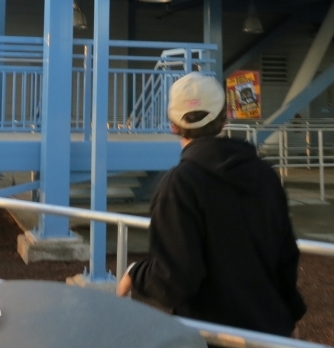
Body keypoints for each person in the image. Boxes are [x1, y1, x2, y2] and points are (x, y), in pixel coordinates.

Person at [116, 72, 306, 337]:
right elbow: (285, 256)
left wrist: (135, 274)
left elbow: (175, 279)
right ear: (224, 119)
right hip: (269, 332)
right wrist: (290, 316)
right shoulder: (265, 175)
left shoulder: (179, 185)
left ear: (173, 124)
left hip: (209, 333)